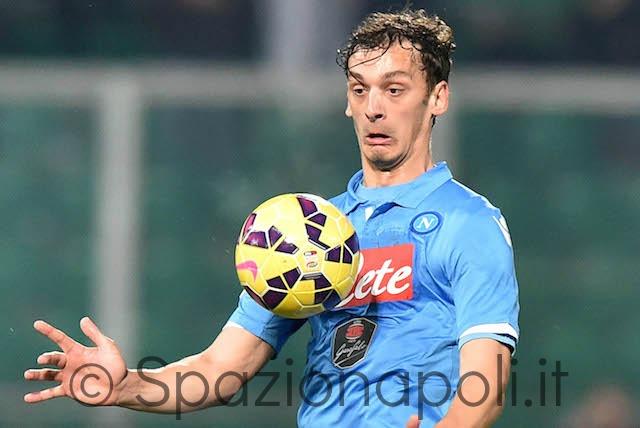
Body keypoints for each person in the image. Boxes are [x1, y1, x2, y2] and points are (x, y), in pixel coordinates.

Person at [24, 9, 519, 428]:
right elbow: (220, 368)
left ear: (437, 98)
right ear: (348, 102)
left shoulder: (468, 223)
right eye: (360, 89)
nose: (374, 108)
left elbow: (485, 385)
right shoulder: (309, 229)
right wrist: (125, 386)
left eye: (394, 89)